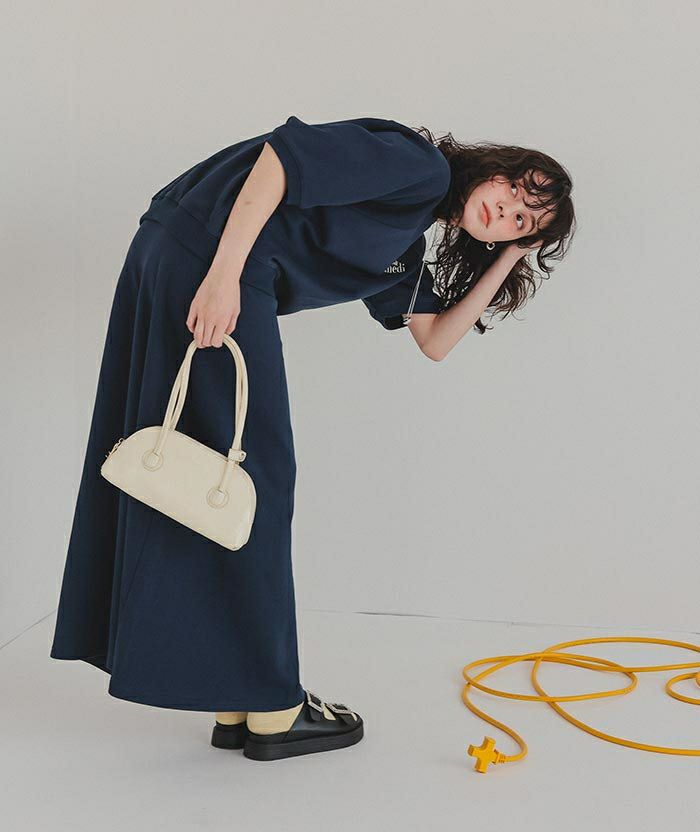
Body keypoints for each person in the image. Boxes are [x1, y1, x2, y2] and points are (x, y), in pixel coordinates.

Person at [50, 114, 575, 762]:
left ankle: (235, 693)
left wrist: (510, 257)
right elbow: (282, 158)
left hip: (181, 252)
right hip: (214, 262)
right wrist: (224, 274)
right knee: (259, 483)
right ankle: (274, 705)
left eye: (523, 221)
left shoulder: (404, 247)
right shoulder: (420, 167)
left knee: (217, 480)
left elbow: (435, 339)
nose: (507, 211)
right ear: (495, 166)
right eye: (516, 190)